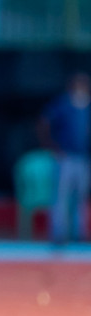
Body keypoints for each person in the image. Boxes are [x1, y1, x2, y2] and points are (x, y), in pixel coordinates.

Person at [39, 73, 91, 244]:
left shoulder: (88, 106)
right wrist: (52, 147)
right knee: (61, 196)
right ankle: (58, 234)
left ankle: (79, 234)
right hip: (65, 157)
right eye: (78, 84)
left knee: (81, 197)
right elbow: (44, 123)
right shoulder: (63, 104)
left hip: (83, 158)